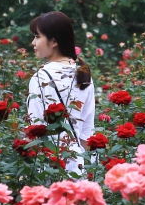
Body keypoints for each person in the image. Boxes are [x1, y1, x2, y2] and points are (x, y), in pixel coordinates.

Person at [26, 11, 95, 176]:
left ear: (54, 41)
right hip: (77, 164)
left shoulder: (41, 77)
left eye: (37, 37)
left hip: (47, 165)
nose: (33, 42)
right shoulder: (83, 75)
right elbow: (86, 130)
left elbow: (36, 127)